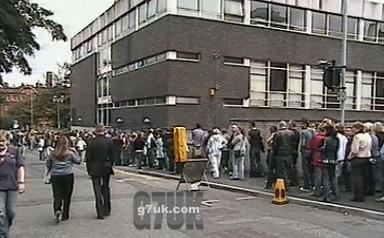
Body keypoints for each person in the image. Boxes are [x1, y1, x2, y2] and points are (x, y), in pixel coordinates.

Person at [46, 136, 81, 223]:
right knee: (67, 196)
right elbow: (78, 161)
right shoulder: (69, 153)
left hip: (56, 176)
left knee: (57, 195)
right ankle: (65, 214)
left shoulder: (53, 153)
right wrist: (76, 152)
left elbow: (48, 164)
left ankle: (57, 210)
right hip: (67, 175)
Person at [86, 124, 114, 219]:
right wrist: (110, 165)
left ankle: (100, 212)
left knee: (97, 190)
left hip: (94, 167)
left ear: (95, 131)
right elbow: (112, 156)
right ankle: (107, 209)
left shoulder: (91, 142)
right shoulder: (109, 141)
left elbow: (88, 158)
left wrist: (89, 170)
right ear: (104, 130)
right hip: (106, 167)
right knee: (105, 188)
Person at [0, 131, 26, 237]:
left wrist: (21, 182)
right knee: (0, 213)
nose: (1, 143)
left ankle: (5, 227)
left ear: (7, 141)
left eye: (3, 141)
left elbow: (20, 167)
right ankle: (4, 234)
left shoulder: (14, 151)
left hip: (12, 185)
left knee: (11, 212)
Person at [348, 122, 372, 202]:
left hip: (358, 158)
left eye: (353, 128)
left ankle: (358, 196)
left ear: (358, 129)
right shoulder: (368, 136)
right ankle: (364, 193)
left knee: (357, 178)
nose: (352, 129)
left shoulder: (357, 137)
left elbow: (354, 150)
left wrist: (349, 157)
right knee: (364, 177)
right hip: (366, 157)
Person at [320, 124, 340, 202]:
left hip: (326, 160)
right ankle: (336, 195)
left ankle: (326, 195)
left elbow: (324, 148)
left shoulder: (326, 139)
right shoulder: (337, 139)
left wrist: (320, 149)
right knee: (333, 178)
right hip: (334, 160)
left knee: (326, 178)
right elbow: (337, 148)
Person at [272, 121, 294, 189]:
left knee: (281, 171)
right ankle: (289, 183)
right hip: (289, 153)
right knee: (289, 169)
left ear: (279, 126)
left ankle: (284, 185)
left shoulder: (277, 133)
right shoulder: (291, 133)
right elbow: (293, 143)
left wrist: (275, 152)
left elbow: (274, 145)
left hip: (280, 154)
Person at [309, 124, 326, 197]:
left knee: (318, 176)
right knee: (325, 176)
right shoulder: (327, 138)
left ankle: (317, 191)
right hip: (325, 158)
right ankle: (325, 191)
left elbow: (311, 146)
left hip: (317, 157)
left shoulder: (316, 137)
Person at [300, 120, 314, 192]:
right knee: (311, 169)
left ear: (305, 124)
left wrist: (302, 147)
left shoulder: (303, 132)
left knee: (305, 169)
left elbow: (303, 143)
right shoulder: (312, 131)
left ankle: (306, 185)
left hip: (305, 151)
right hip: (311, 151)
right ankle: (313, 184)